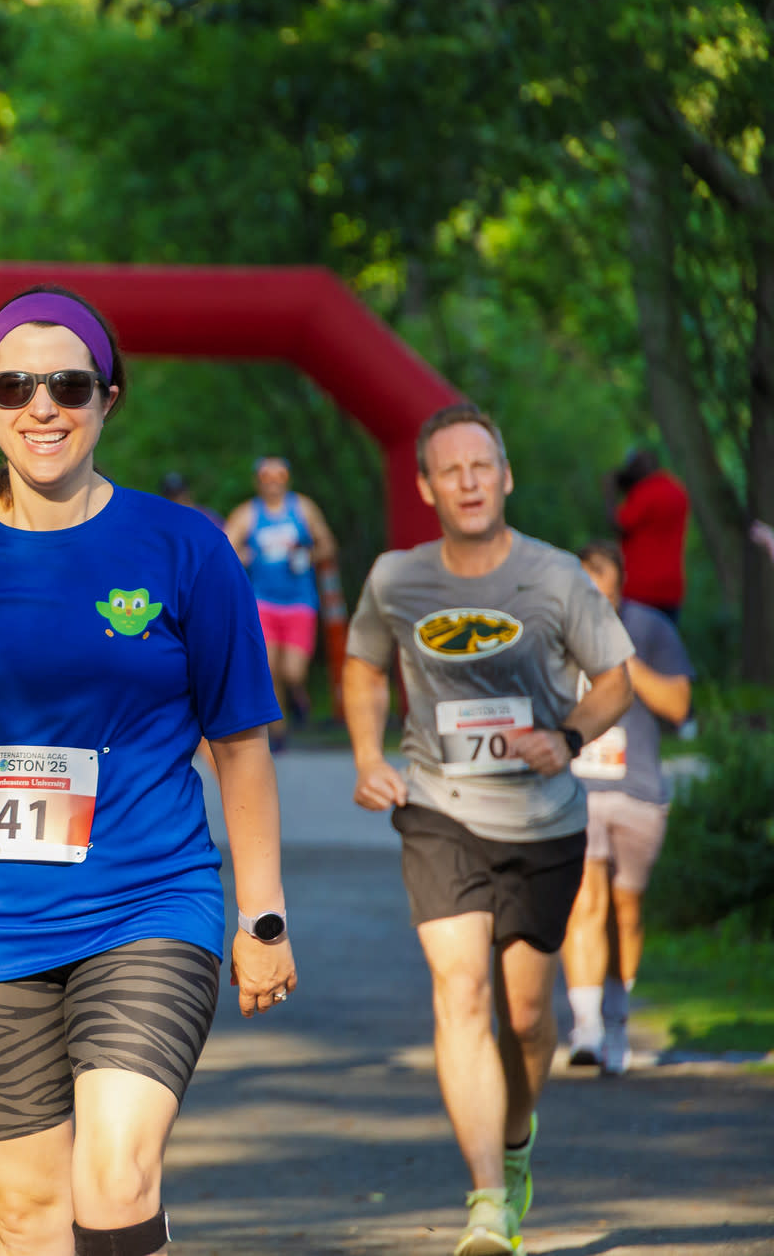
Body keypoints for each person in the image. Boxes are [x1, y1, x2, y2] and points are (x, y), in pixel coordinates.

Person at [0, 286, 296, 1256]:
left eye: (68, 384)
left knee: (114, 1178)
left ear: (106, 398)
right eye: (17, 385)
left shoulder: (185, 549)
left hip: (148, 905)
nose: (43, 406)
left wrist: (261, 913)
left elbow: (239, 743)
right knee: (30, 1216)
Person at [343, 402, 634, 1256]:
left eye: (482, 467)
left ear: (504, 478)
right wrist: (368, 754)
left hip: (543, 820)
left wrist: (568, 735)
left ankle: (513, 1147)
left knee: (530, 1017)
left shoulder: (553, 579)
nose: (468, 482)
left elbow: (616, 678)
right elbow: (362, 663)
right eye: (450, 470)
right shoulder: (397, 579)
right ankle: (484, 1203)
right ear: (428, 487)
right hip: (439, 809)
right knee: (460, 988)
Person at [562, 540, 693, 1075]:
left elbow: (679, 707)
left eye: (608, 595)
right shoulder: (555, 627)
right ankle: (586, 1026)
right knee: (584, 902)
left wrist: (620, 659)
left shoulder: (653, 629)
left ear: (620, 588)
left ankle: (617, 1020)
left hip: (639, 790)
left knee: (625, 910)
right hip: (579, 789)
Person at [221, 456, 338, 745]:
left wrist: (310, 555)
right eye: (267, 477)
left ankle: (299, 695)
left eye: (279, 477)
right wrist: (241, 556)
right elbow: (224, 545)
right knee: (269, 667)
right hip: (263, 601)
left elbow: (327, 544)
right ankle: (279, 731)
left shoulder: (302, 508)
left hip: (299, 601)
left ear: (287, 479)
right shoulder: (249, 513)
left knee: (293, 671)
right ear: (257, 481)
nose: (273, 483)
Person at [609, 448, 689, 620]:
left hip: (639, 590)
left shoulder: (645, 492)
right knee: (662, 645)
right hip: (671, 591)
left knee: (634, 645)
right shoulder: (677, 489)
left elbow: (618, 525)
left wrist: (609, 492)